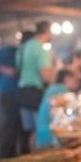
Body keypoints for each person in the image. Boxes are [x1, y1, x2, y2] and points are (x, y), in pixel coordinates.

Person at [0, 33, 24, 158]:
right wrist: (4, 69)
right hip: (7, 92)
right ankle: (4, 160)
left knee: (13, 126)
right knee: (8, 127)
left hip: (10, 92)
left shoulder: (12, 51)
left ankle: (11, 157)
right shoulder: (7, 51)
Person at [17, 21, 54, 152]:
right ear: (47, 31)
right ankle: (40, 156)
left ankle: (30, 156)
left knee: (29, 130)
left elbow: (18, 67)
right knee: (41, 127)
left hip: (22, 91)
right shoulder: (40, 48)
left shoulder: (24, 47)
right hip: (35, 92)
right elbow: (46, 76)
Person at [36, 68, 78, 149]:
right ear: (67, 79)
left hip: (42, 133)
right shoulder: (62, 91)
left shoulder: (53, 89)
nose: (76, 83)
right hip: (50, 135)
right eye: (74, 80)